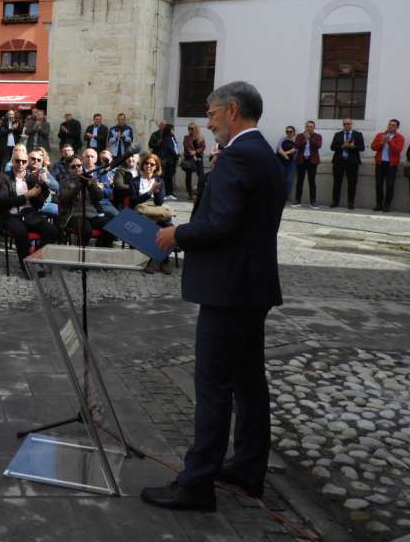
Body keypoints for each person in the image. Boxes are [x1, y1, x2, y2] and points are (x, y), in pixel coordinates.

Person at [142, 81, 285, 512]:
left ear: (233, 109)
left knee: (213, 388)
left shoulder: (239, 156)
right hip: (251, 288)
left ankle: (196, 483)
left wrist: (175, 234)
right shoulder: (265, 155)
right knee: (248, 384)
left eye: (212, 113)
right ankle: (246, 468)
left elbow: (221, 224)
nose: (208, 121)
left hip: (228, 291)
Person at [0, 145, 58, 269]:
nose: (21, 164)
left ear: (27, 162)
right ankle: (26, 266)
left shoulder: (32, 177)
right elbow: (2, 201)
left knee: (53, 231)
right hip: (11, 214)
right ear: (12, 161)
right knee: (21, 233)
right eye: (17, 161)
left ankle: (35, 256)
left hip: (29, 214)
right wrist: (26, 196)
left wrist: (43, 188)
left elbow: (39, 204)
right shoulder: (4, 177)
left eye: (24, 161)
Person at [58, 157, 113, 247]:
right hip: (75, 215)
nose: (77, 168)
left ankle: (100, 250)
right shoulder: (64, 182)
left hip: (93, 214)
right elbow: (65, 199)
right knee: (86, 231)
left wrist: (91, 185)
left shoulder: (89, 179)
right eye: (73, 167)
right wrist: (78, 185)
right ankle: (81, 256)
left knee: (111, 227)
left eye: (79, 166)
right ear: (68, 169)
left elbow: (99, 197)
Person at [329, 118, 365, 209]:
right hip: (339, 162)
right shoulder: (337, 135)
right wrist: (342, 146)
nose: (346, 126)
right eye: (344, 124)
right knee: (337, 182)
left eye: (348, 124)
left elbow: (362, 148)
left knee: (352, 183)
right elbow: (332, 147)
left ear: (351, 124)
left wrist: (352, 147)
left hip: (352, 162)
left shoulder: (358, 135)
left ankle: (351, 202)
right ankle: (335, 201)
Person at [371, 119, 405, 212]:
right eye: (389, 124)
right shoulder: (380, 135)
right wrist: (381, 142)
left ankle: (387, 205)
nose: (390, 126)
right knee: (379, 185)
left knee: (390, 185)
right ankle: (378, 204)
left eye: (393, 125)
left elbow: (398, 150)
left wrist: (389, 142)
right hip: (380, 163)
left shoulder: (400, 137)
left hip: (391, 165)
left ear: (397, 127)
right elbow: (373, 147)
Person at [292, 121, 322, 208]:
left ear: (314, 127)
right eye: (307, 126)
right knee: (300, 181)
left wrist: (310, 139)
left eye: (311, 126)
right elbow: (296, 146)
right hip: (301, 161)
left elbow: (318, 146)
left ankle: (313, 201)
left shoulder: (318, 136)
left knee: (312, 182)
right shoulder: (300, 136)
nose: (309, 128)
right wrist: (305, 140)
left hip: (312, 161)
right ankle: (297, 200)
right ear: (305, 127)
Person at [149, 122, 180, 201]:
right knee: (161, 177)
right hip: (164, 160)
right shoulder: (163, 137)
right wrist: (176, 155)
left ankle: (169, 193)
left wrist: (177, 154)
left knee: (168, 177)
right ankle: (162, 193)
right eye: (172, 129)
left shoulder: (171, 137)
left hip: (170, 161)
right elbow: (170, 148)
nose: (173, 131)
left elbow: (175, 146)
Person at [182, 124, 206, 200]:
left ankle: (199, 192)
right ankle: (190, 193)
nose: (190, 130)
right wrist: (191, 152)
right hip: (189, 159)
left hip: (198, 159)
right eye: (189, 128)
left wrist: (195, 152)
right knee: (188, 176)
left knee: (201, 176)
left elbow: (203, 147)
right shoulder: (186, 137)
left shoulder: (200, 138)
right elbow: (186, 146)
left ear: (195, 129)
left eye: (192, 128)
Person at [275, 127, 297, 201]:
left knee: (289, 180)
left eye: (290, 131)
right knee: (281, 179)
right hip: (281, 161)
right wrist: (284, 155)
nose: (288, 133)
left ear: (294, 132)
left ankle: (285, 196)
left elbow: (296, 149)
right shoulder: (283, 139)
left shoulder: (296, 140)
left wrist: (286, 153)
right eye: (287, 131)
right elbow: (278, 147)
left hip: (291, 162)